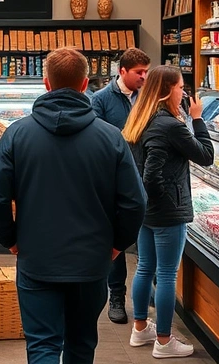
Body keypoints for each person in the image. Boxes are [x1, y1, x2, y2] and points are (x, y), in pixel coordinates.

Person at [0, 47, 146, 364]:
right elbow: (134, 202)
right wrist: (116, 245)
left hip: (37, 260)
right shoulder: (111, 137)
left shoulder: (17, 134)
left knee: (42, 346)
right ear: (85, 84)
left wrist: (11, 240)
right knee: (81, 345)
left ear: (46, 83)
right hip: (92, 262)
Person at [123, 65, 213, 359]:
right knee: (166, 274)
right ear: (166, 91)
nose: (184, 93)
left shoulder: (139, 117)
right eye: (180, 88)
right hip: (166, 214)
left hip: (145, 213)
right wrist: (198, 120)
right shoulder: (170, 126)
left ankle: (140, 329)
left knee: (144, 269)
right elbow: (206, 156)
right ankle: (163, 341)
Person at [91, 47, 151, 324]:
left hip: (146, 173)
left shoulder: (147, 97)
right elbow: (98, 139)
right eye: (139, 72)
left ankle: (146, 289)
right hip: (115, 178)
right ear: (122, 71)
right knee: (116, 240)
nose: (144, 77)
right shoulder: (101, 100)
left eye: (146, 72)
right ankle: (116, 296)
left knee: (145, 239)